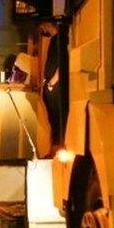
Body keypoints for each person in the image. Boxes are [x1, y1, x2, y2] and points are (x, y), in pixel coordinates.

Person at [39, 18, 68, 156]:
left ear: (46, 25)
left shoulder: (59, 40)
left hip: (55, 87)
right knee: (53, 118)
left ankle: (58, 147)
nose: (42, 31)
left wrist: (52, 83)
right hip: (51, 85)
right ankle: (55, 146)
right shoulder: (55, 40)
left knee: (56, 118)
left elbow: (62, 63)